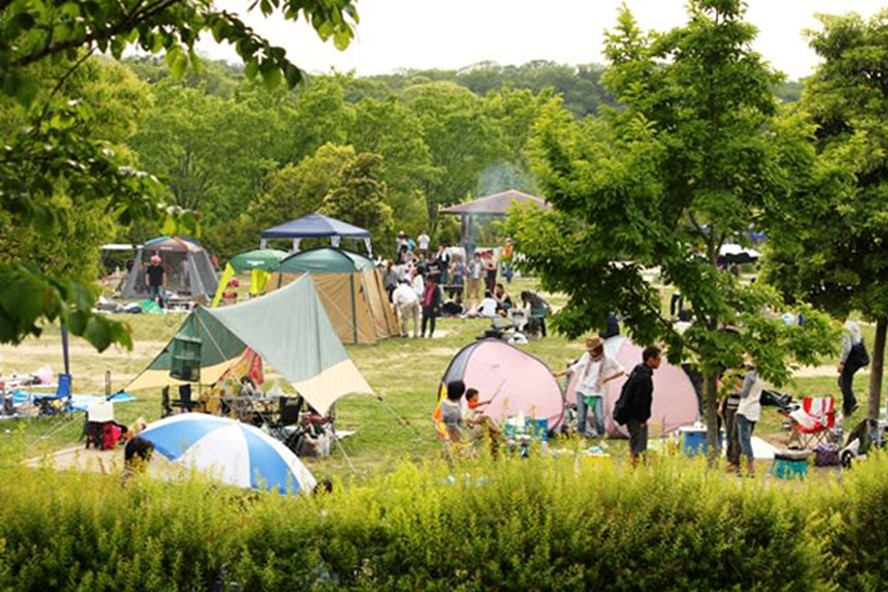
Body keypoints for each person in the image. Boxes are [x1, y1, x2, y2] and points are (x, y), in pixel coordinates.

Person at [554, 336, 624, 439]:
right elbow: (574, 368)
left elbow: (621, 370)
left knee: (599, 418)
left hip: (596, 392)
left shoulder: (607, 359)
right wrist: (559, 374)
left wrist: (606, 379)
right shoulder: (586, 356)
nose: (590, 353)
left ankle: (601, 438)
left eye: (592, 351)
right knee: (581, 417)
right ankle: (581, 437)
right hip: (582, 390)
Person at [622, 345, 662, 466]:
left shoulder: (638, 371)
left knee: (636, 444)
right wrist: (642, 418)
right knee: (638, 447)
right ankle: (635, 471)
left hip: (630, 414)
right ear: (650, 359)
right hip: (636, 417)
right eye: (658, 359)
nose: (660, 362)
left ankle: (636, 469)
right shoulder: (644, 377)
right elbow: (641, 400)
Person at [735, 354, 763, 477]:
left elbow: (744, 393)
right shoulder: (760, 376)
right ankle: (743, 467)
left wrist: (733, 385)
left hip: (745, 410)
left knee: (744, 440)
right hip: (755, 410)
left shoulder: (749, 376)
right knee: (746, 439)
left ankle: (750, 468)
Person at [838, 318, 864, 416]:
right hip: (860, 353)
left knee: (844, 382)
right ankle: (852, 402)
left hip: (852, 356)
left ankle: (849, 407)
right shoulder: (852, 324)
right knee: (842, 381)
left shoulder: (845, 329)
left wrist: (842, 362)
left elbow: (847, 348)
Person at [718, 371, 742, 473]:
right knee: (729, 434)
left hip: (740, 407)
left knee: (735, 435)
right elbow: (724, 391)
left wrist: (734, 383)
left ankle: (735, 460)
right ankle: (729, 459)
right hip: (729, 407)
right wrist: (721, 406)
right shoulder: (727, 374)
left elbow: (743, 392)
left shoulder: (742, 375)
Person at [420, 272, 443, 338]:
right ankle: (423, 332)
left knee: (432, 320)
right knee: (424, 320)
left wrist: (436, 306)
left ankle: (431, 332)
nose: (427, 282)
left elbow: (438, 298)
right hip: (425, 305)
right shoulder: (426, 288)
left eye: (428, 281)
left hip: (432, 306)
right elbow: (423, 295)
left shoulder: (436, 288)